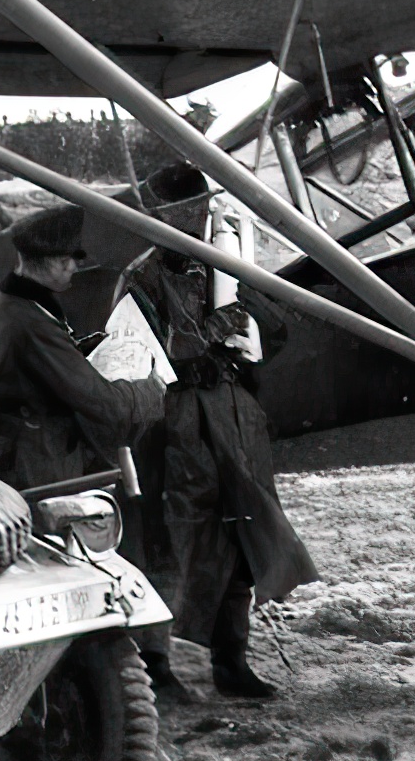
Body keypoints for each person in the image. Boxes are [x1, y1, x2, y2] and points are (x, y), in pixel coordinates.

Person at [118, 242, 319, 702]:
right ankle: (155, 663)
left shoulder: (219, 265)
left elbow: (276, 328)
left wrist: (246, 303)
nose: (193, 226)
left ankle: (231, 660)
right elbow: (135, 349)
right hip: (176, 422)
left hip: (230, 418)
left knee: (240, 532)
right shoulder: (141, 277)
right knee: (169, 540)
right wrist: (209, 331)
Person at [0, 204, 164, 494]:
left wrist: (82, 347)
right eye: (68, 260)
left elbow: (30, 368)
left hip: (8, 446)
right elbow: (102, 403)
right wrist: (152, 391)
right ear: (53, 262)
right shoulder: (30, 322)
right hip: (42, 462)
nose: (75, 267)